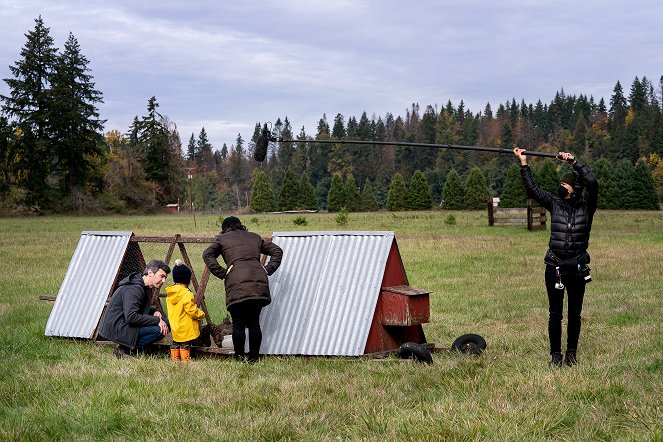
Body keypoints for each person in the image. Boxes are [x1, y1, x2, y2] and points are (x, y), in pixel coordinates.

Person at [514, 148, 598, 367]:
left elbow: (593, 182)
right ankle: (555, 356)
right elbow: (532, 190)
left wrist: (574, 162)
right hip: (555, 267)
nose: (560, 187)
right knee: (555, 313)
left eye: (565, 184)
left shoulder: (588, 206)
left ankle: (571, 354)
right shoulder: (555, 203)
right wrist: (524, 163)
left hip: (578, 268)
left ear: (575, 187)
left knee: (575, 314)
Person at [202, 216, 283, 363]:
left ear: (224, 228)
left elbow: (207, 254)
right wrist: (267, 269)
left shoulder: (222, 239)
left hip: (236, 283)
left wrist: (222, 272)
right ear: (240, 225)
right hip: (258, 284)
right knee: (254, 322)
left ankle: (239, 359)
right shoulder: (255, 237)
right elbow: (277, 251)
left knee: (238, 322)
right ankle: (253, 359)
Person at [99, 260, 171, 358]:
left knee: (168, 322)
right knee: (160, 329)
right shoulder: (134, 289)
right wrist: (157, 320)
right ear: (150, 273)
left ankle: (134, 347)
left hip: (126, 324)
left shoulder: (144, 285)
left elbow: (138, 306)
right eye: (161, 276)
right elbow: (131, 317)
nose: (163, 281)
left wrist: (155, 311)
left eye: (165, 278)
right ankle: (124, 350)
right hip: (119, 328)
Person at [165, 259, 206, 362]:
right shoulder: (187, 293)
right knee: (185, 344)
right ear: (187, 279)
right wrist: (201, 314)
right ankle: (185, 362)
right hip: (185, 326)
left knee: (175, 342)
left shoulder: (170, 294)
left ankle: (174, 361)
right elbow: (191, 310)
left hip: (175, 325)